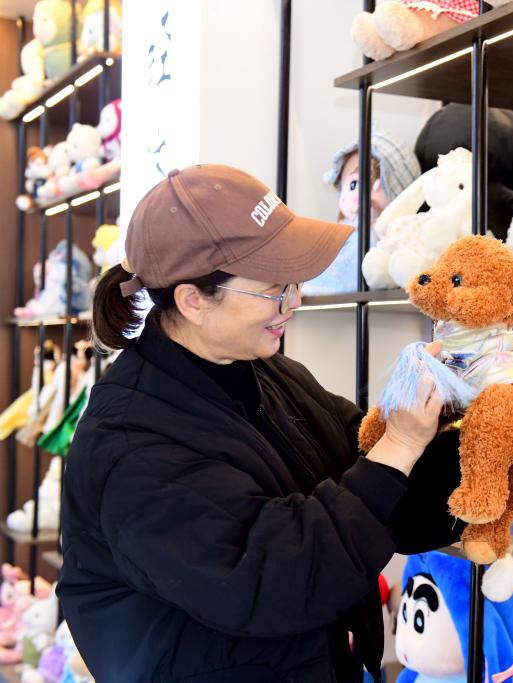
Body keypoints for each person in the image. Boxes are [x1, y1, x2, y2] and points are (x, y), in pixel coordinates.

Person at [58, 164, 465, 683]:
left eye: (293, 282)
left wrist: (484, 437)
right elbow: (276, 581)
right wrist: (400, 445)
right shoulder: (132, 444)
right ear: (193, 300)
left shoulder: (264, 373)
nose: (294, 300)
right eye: (275, 287)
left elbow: (376, 487)